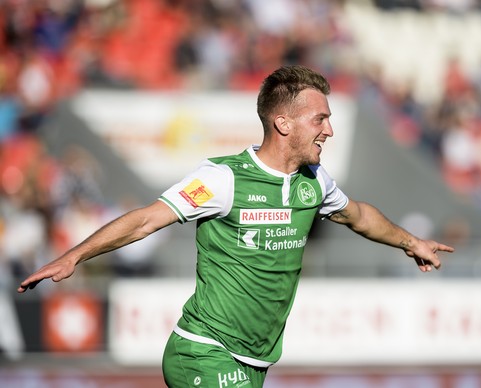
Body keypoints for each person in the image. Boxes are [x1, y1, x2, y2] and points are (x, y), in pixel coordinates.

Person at [17, 65, 454, 387]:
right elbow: (147, 219)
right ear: (283, 123)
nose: (330, 130)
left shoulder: (314, 184)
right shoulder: (223, 179)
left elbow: (358, 215)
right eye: (320, 119)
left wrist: (409, 242)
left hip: (253, 362)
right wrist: (74, 256)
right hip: (204, 352)